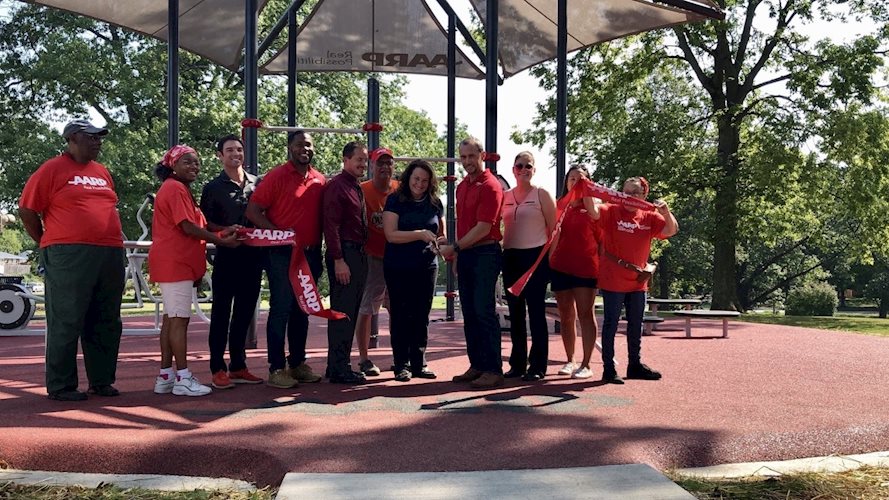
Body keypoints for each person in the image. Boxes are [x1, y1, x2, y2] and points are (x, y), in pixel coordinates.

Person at [19, 119, 126, 401]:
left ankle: (101, 380)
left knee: (106, 318)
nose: (98, 142)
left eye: (99, 137)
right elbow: (28, 209)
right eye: (92, 137)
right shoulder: (52, 169)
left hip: (110, 251)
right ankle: (62, 385)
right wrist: (45, 240)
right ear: (74, 138)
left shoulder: (102, 172)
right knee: (67, 317)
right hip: (69, 253)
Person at [149, 145, 240, 397]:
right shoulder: (176, 189)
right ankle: (183, 377)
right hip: (175, 263)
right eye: (187, 162)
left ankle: (166, 375)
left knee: (170, 319)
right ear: (172, 165)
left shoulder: (178, 189)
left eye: (197, 162)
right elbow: (188, 227)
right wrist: (221, 240)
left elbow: (199, 223)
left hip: (175, 263)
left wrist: (221, 231)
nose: (194, 167)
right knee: (179, 321)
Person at [246, 131, 325, 389]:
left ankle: (298, 363)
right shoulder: (276, 176)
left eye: (309, 144)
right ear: (290, 147)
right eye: (300, 144)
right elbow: (253, 211)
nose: (306, 148)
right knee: (281, 309)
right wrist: (278, 236)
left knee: (303, 309)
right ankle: (276, 368)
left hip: (311, 254)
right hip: (281, 255)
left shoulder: (319, 180)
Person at [592, 176, 678, 384]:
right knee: (611, 323)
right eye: (625, 192)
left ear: (644, 195)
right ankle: (609, 368)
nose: (629, 197)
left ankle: (635, 364)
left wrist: (665, 212)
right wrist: (587, 190)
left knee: (636, 324)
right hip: (613, 278)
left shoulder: (649, 215)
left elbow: (671, 230)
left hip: (638, 280)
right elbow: (594, 212)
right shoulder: (611, 210)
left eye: (634, 193)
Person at [440, 137, 505, 389]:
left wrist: (455, 247)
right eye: (463, 157)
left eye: (471, 156)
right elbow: (464, 225)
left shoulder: (491, 186)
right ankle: (477, 365)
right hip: (467, 254)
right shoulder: (462, 186)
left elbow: (483, 228)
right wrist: (457, 254)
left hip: (485, 253)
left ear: (483, 155)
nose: (467, 162)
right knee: (469, 312)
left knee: (483, 311)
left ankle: (493, 369)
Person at [199, 134, 263, 389]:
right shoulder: (212, 188)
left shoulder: (258, 183)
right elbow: (205, 223)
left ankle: (238, 365)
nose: (235, 154)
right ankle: (217, 368)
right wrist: (226, 230)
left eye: (239, 149)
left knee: (244, 314)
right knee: (221, 314)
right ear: (220, 156)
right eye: (229, 150)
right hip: (226, 257)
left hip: (253, 257)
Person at [382, 160, 445, 382]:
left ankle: (419, 362)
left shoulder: (435, 203)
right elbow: (391, 234)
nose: (419, 184)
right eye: (416, 179)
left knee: (421, 315)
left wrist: (443, 244)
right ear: (408, 178)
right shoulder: (394, 200)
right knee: (400, 315)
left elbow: (441, 234)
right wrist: (419, 234)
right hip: (398, 266)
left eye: (425, 181)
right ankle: (402, 364)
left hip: (427, 266)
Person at [501, 152, 556, 382]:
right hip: (511, 257)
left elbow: (555, 230)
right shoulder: (504, 196)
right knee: (515, 313)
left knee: (535, 313)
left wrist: (548, 260)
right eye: (519, 165)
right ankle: (517, 364)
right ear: (513, 169)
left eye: (528, 166)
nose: (524, 169)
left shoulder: (541, 194)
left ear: (534, 170)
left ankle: (538, 366)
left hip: (536, 258)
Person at [322, 141, 370, 384]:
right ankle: (340, 366)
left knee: (347, 311)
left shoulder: (355, 186)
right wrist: (339, 260)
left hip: (357, 253)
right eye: (359, 159)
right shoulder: (337, 187)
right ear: (345, 160)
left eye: (365, 159)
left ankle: (336, 364)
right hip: (345, 254)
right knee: (343, 312)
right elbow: (331, 227)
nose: (363, 163)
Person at [548, 166, 602, 379]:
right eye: (571, 179)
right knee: (566, 315)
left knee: (585, 313)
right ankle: (570, 359)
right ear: (566, 182)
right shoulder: (558, 206)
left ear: (588, 182)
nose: (575, 183)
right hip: (560, 266)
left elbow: (602, 241)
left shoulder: (596, 208)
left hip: (586, 268)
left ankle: (587, 364)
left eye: (580, 179)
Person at [354, 147, 398, 377]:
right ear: (372, 165)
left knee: (397, 308)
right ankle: (363, 358)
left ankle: (400, 357)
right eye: (380, 163)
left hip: (397, 259)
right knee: (367, 308)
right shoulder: (362, 191)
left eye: (388, 162)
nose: (384, 167)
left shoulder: (400, 190)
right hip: (372, 258)